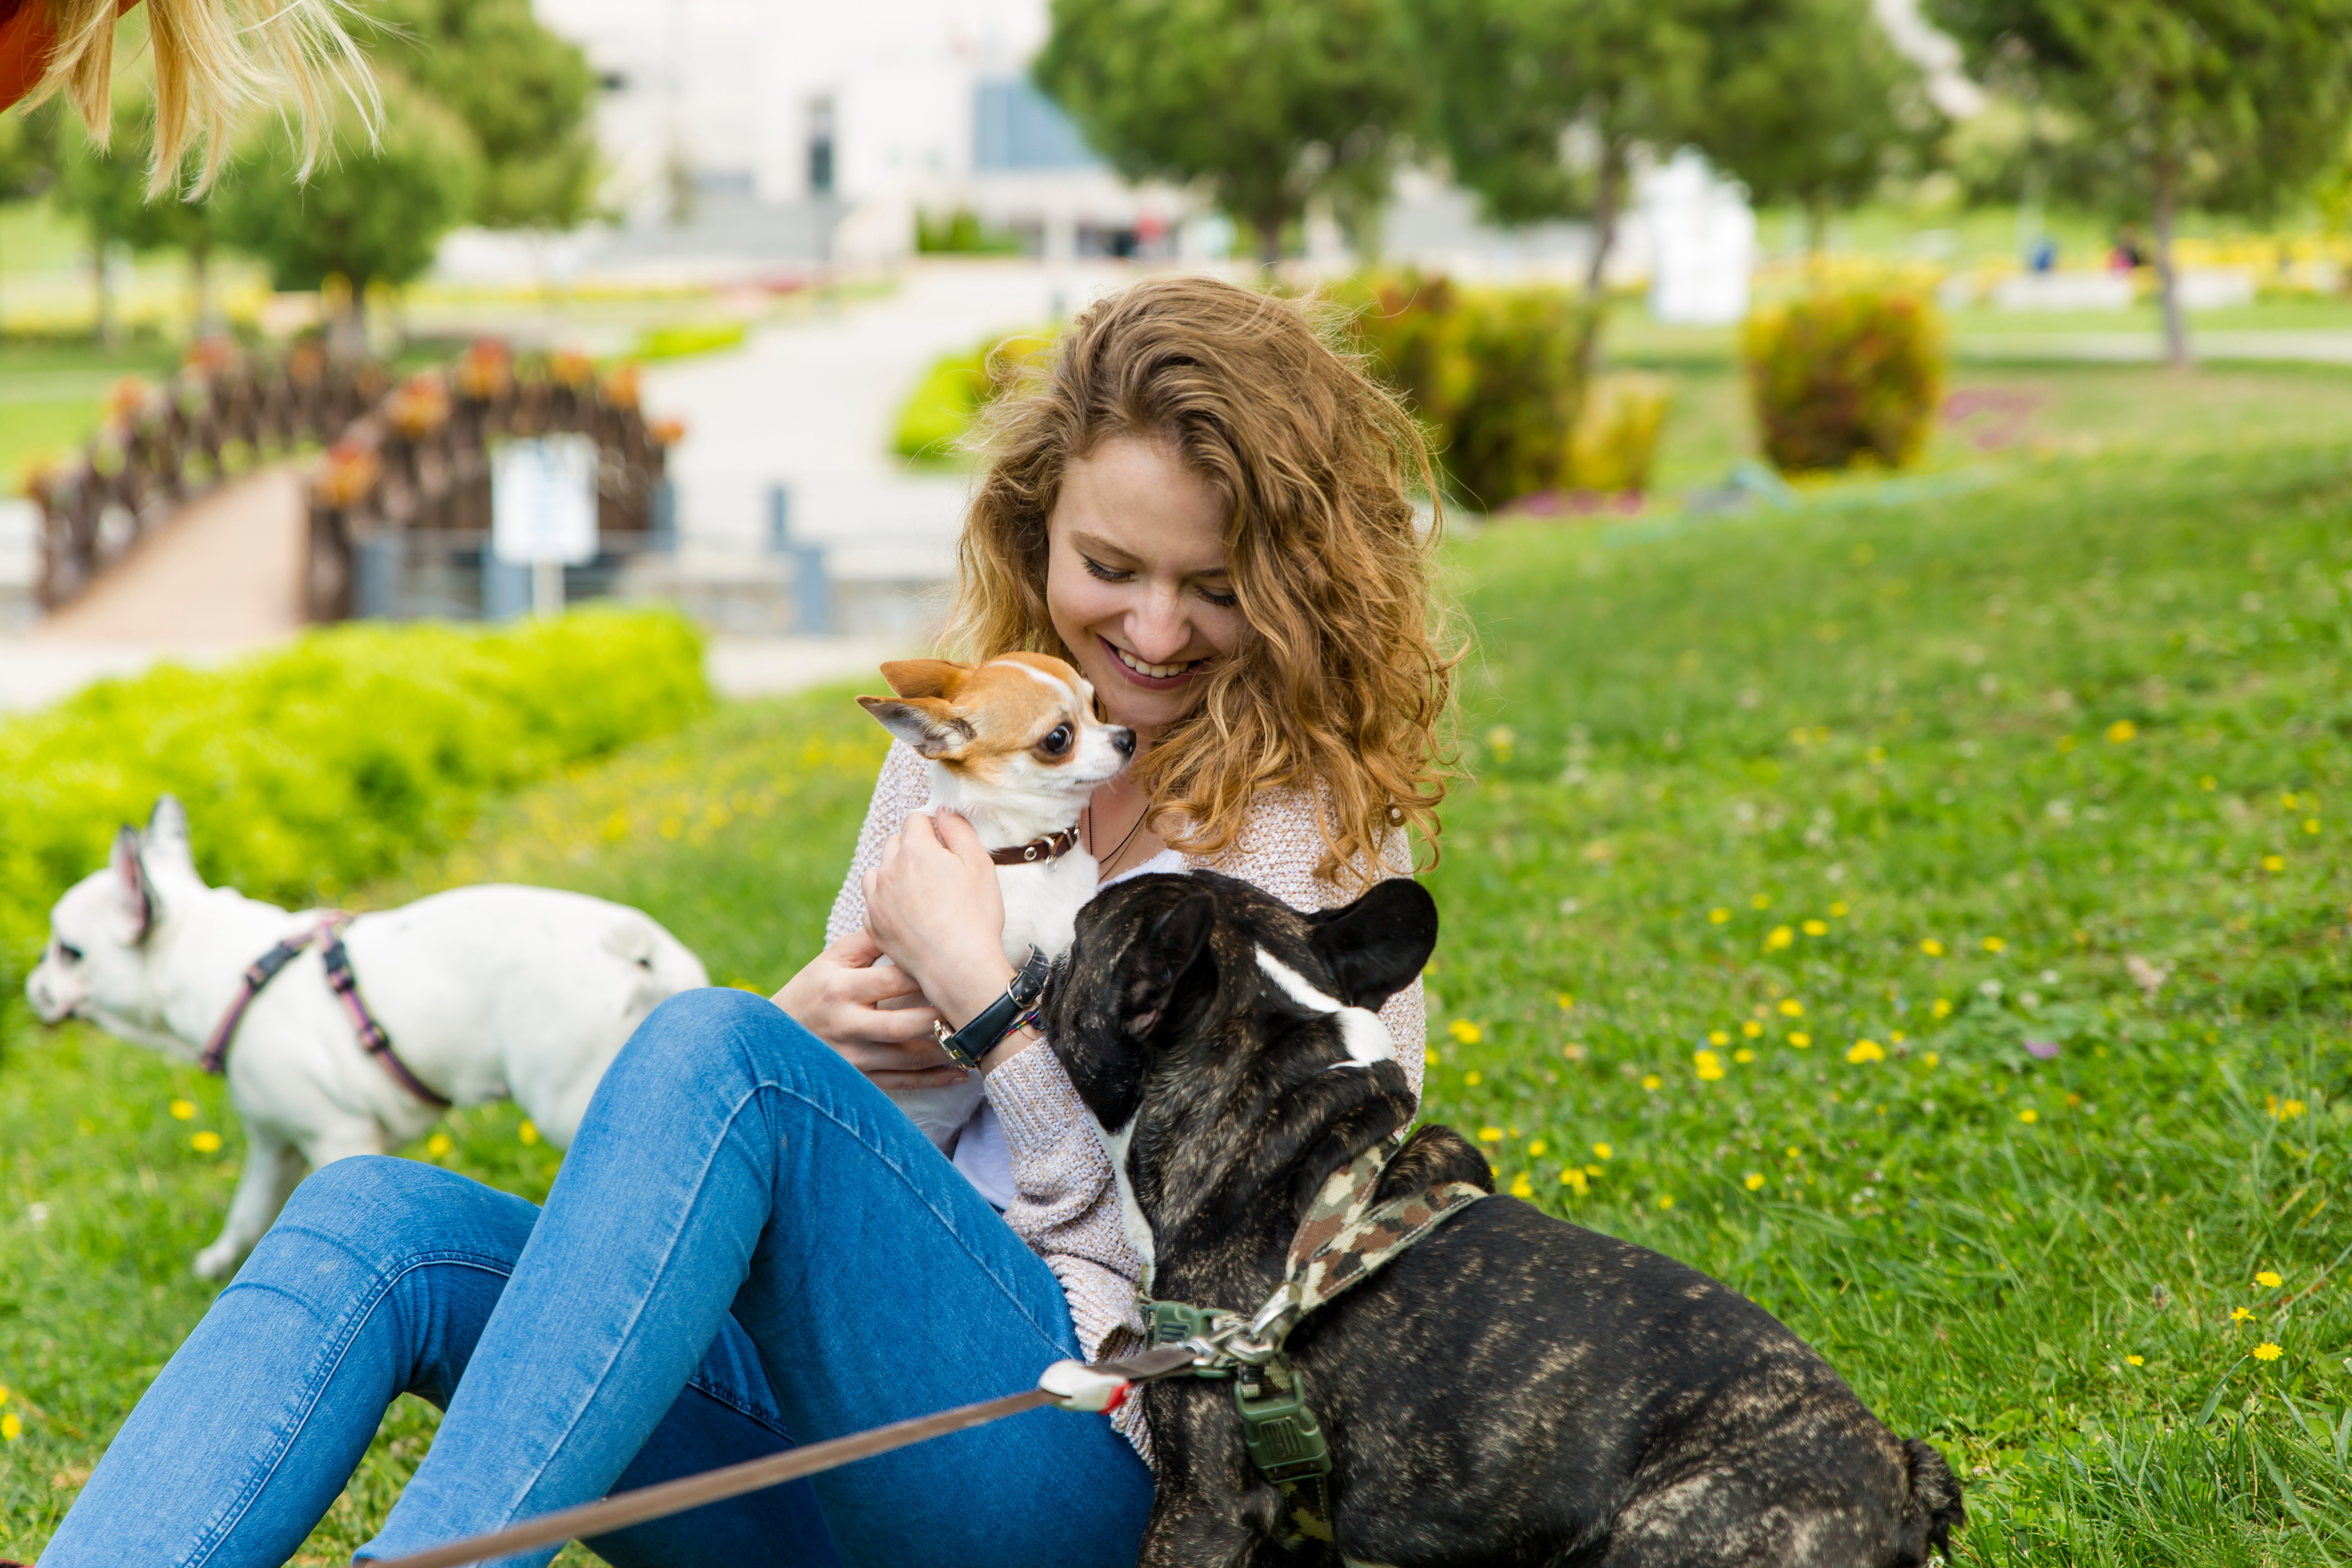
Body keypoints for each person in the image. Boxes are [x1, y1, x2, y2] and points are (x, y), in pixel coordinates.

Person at [36, 274, 1456, 1568]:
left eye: (1212, 589)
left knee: (724, 1055)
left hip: (1092, 1464)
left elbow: (1267, 1285)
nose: (1151, 632)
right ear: (1037, 532)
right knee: (377, 1216)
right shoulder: (952, 750)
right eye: (1110, 568)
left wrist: (989, 1023)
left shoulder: (1313, 834)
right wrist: (831, 1047)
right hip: (825, 1439)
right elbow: (831, 1149)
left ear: (1290, 583)